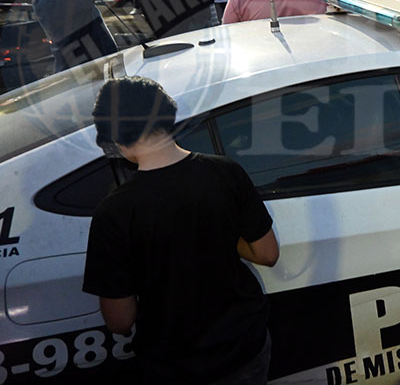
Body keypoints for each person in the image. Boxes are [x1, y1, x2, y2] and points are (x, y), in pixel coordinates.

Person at [84, 77, 279, 384]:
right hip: (243, 347)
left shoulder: (113, 213)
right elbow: (267, 254)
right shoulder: (226, 172)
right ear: (167, 116)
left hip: (172, 364)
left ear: (116, 138)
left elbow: (120, 321)